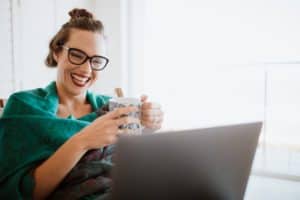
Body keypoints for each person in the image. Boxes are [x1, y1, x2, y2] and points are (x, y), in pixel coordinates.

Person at [0, 8, 163, 200]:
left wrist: (150, 124)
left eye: (96, 61)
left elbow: (133, 166)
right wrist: (83, 141)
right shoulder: (23, 106)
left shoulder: (110, 107)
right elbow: (18, 192)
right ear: (56, 52)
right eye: (77, 55)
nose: (86, 69)